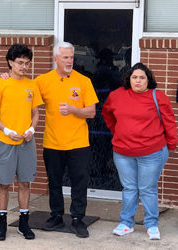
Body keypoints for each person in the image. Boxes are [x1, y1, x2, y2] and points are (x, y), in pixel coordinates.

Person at [102, 62, 177, 240]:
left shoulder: (158, 97)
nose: (137, 81)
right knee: (129, 188)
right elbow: (107, 115)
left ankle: (151, 224)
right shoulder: (116, 95)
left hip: (151, 152)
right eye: (134, 77)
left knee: (147, 189)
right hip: (123, 153)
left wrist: (172, 145)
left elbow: (169, 123)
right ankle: (126, 223)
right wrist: (118, 132)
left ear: (148, 80)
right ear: (128, 79)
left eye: (142, 77)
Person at [35, 41, 99, 238]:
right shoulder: (42, 81)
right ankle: (56, 216)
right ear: (56, 59)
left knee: (79, 182)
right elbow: (24, 93)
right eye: (65, 57)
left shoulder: (83, 81)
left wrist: (73, 110)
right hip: (52, 142)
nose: (69, 60)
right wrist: (5, 76)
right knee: (54, 182)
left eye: (71, 57)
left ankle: (78, 219)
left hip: (78, 143)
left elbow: (92, 112)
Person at [0, 44, 43, 241]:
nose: (24, 67)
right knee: (3, 183)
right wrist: (6, 130)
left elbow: (36, 112)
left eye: (27, 63)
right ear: (10, 62)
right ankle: (2, 222)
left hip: (26, 142)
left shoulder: (32, 85)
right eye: (20, 63)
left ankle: (23, 222)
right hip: (6, 141)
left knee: (25, 182)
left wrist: (32, 129)